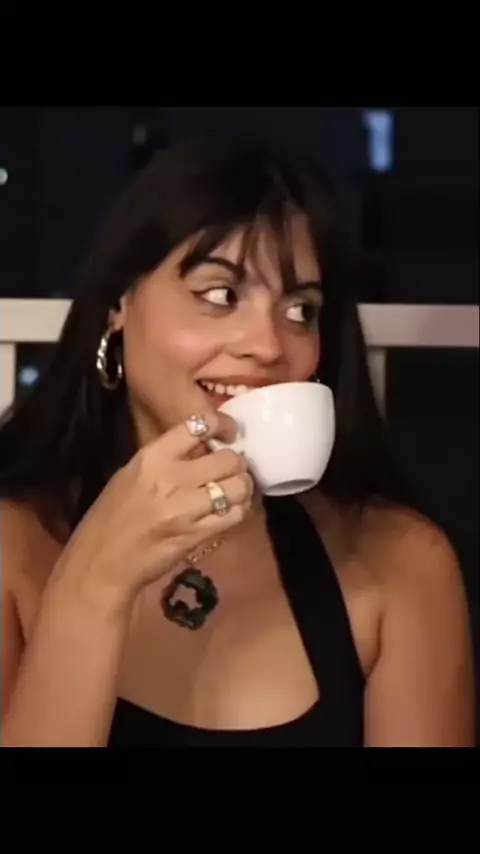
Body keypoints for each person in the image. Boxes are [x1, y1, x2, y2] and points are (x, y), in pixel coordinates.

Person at [0, 135, 475, 748]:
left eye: (300, 310)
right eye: (221, 295)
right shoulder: (15, 543)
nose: (270, 345)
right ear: (120, 303)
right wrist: (93, 587)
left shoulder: (399, 562)